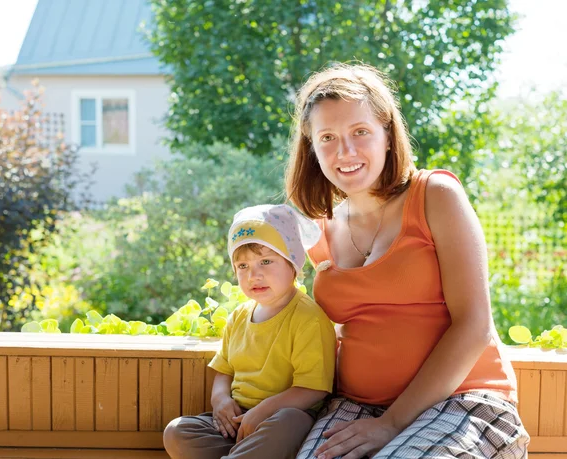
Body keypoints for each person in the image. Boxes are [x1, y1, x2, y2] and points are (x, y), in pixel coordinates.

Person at [285, 63, 530, 459]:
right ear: (311, 148)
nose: (345, 151)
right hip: (356, 408)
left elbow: (475, 326)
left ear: (386, 134)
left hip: (463, 401)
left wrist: (392, 424)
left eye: (360, 132)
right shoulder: (319, 228)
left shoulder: (436, 195)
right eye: (327, 137)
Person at [163, 204, 337, 459]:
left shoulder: (308, 319)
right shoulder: (238, 316)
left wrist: (262, 412)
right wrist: (220, 400)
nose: (254, 275)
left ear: (293, 264)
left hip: (281, 419)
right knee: (177, 432)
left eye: (266, 261)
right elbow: (224, 370)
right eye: (242, 266)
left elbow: (313, 389)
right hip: (238, 420)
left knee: (292, 421)